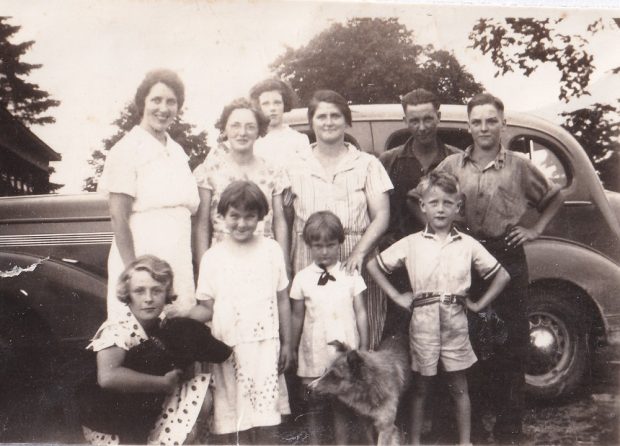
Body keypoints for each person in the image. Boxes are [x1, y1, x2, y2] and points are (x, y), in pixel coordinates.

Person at [437, 93, 564, 443]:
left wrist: (534, 229)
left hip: (506, 255)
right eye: (476, 121)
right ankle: (475, 427)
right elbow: (423, 197)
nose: (484, 128)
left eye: (491, 120)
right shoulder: (451, 166)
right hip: (466, 256)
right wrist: (446, 229)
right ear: (468, 126)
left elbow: (554, 196)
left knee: (511, 343)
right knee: (469, 341)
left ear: (503, 123)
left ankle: (509, 428)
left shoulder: (519, 166)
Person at [367, 171, 511, 445]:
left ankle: (465, 441)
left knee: (459, 386)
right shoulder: (411, 243)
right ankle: (416, 442)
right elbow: (374, 265)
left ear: (458, 207)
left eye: (448, 203)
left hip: (455, 321)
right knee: (421, 387)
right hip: (423, 321)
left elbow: (502, 275)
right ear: (423, 206)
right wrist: (397, 296)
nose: (441, 209)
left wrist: (479, 304)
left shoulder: (467, 245)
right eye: (434, 202)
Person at [79, 256, 224, 445]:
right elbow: (108, 377)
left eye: (156, 291)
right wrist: (162, 383)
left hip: (143, 408)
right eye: (139, 291)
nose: (148, 299)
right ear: (128, 294)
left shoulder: (160, 322)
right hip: (114, 422)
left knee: (200, 395)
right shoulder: (117, 328)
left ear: (166, 294)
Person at [189, 181, 293, 444]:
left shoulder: (271, 250)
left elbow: (282, 299)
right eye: (234, 215)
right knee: (235, 423)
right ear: (221, 216)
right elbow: (206, 308)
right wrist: (178, 321)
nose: (242, 223)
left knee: (267, 420)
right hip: (228, 351)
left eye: (250, 216)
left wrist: (288, 343)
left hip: (264, 349)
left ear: (261, 216)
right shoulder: (213, 257)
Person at [288, 89, 393, 350]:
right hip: (308, 256)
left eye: (336, 116)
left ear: (346, 121)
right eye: (321, 116)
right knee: (313, 335)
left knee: (359, 334)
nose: (328, 122)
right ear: (311, 122)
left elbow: (381, 215)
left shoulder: (367, 164)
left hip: (355, 257)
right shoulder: (293, 165)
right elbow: (284, 217)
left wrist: (359, 253)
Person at [98, 69, 199, 321]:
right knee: (140, 340)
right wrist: (135, 274)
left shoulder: (177, 152)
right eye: (156, 100)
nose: (163, 108)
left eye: (171, 101)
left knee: (178, 333)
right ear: (142, 102)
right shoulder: (126, 149)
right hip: (142, 260)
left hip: (179, 261)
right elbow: (118, 217)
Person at [379, 88, 462, 339]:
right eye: (414, 120)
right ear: (405, 121)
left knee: (448, 335)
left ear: (439, 116)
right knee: (402, 334)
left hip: (447, 262)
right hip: (402, 267)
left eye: (428, 118)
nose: (422, 127)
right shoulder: (388, 162)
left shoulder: (456, 159)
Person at [290, 210, 369, 445]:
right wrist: (292, 347)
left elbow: (361, 312)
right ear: (309, 246)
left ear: (340, 243)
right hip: (314, 351)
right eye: (317, 246)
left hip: (345, 354)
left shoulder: (350, 275)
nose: (324, 252)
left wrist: (364, 345)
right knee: (314, 404)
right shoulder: (302, 278)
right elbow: (296, 316)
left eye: (330, 245)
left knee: (342, 404)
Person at [192, 98, 290, 269]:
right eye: (235, 125)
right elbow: (201, 224)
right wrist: (202, 267)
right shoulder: (208, 171)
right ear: (225, 129)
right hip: (222, 261)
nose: (242, 132)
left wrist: (284, 266)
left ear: (259, 130)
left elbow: (279, 221)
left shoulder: (274, 171)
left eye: (250, 126)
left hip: (264, 260)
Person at [249, 78, 310, 169]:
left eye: (277, 103)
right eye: (266, 104)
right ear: (258, 107)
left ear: (284, 104)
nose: (272, 108)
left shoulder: (299, 139)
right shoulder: (253, 141)